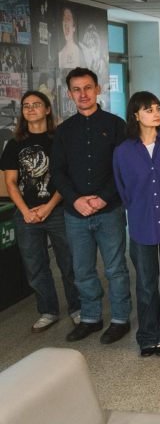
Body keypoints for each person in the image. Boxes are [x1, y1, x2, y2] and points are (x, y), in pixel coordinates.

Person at [51, 67, 131, 344]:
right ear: (69, 94)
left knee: (115, 269)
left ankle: (120, 319)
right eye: (76, 89)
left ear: (98, 89)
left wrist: (103, 197)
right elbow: (57, 171)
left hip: (109, 210)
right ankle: (90, 318)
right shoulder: (63, 131)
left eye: (87, 88)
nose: (83, 94)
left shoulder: (116, 125)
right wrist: (75, 199)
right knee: (82, 270)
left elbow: (123, 168)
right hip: (75, 213)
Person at [0, 90, 80, 332]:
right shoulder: (14, 144)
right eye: (26, 105)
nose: (31, 108)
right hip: (26, 214)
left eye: (36, 104)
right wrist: (25, 211)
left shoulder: (59, 139)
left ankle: (77, 308)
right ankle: (48, 310)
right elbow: (11, 182)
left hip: (57, 210)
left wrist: (49, 206)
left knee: (69, 263)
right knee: (35, 267)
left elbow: (66, 178)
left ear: (47, 109)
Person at [114, 92, 160, 357]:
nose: (155, 113)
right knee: (145, 282)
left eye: (157, 108)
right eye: (148, 109)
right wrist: (139, 210)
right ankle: (147, 334)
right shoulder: (123, 151)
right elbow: (123, 189)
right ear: (135, 115)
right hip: (141, 223)